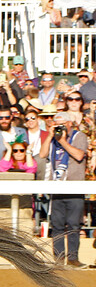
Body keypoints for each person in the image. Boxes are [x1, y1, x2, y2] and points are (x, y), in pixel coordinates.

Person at [39, 112, 88, 267]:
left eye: (62, 124)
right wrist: (50, 136)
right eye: (56, 124)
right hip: (57, 186)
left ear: (70, 123)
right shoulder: (53, 139)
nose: (59, 127)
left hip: (74, 186)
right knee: (57, 225)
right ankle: (58, 259)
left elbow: (79, 155)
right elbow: (42, 154)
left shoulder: (79, 136)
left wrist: (63, 141)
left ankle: (73, 258)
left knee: (74, 224)